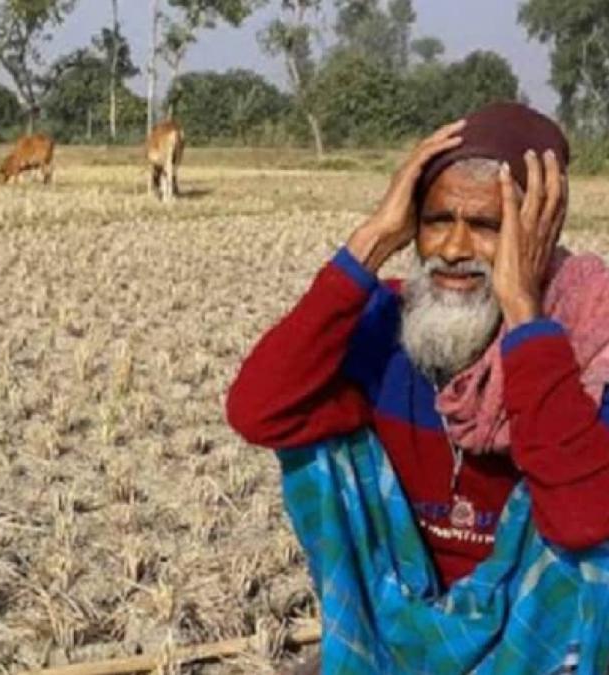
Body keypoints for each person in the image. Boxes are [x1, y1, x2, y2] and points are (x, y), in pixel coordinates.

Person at [227, 102, 609, 674]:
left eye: (486, 227)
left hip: (535, 648)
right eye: (436, 221)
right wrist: (374, 238)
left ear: (538, 233)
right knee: (320, 448)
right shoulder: (389, 323)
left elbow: (585, 521)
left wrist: (526, 316)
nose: (454, 249)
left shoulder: (581, 341)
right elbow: (258, 412)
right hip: (402, 628)